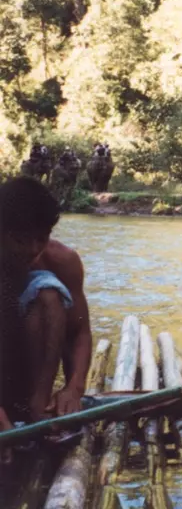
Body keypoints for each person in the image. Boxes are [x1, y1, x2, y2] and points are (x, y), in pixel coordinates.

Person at [0, 177, 92, 437]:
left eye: (41, 239)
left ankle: (36, 407)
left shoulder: (62, 261)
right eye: (20, 240)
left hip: (28, 378)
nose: (32, 250)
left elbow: (80, 332)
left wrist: (74, 388)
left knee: (49, 294)